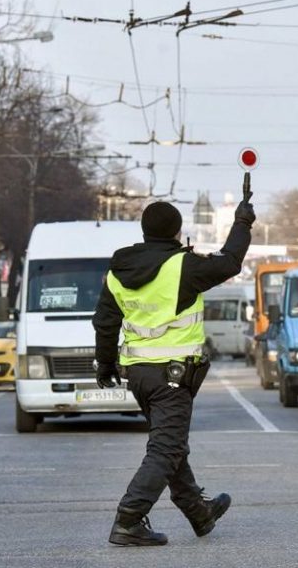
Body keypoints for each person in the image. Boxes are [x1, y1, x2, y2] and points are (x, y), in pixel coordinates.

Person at [92, 196, 255, 547]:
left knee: (170, 443)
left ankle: (199, 512)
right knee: (165, 450)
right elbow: (230, 262)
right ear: (177, 232)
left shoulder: (118, 270)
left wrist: (104, 364)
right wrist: (242, 223)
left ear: (144, 230)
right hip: (173, 376)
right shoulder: (183, 266)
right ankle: (129, 518)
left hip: (138, 373)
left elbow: (105, 321)